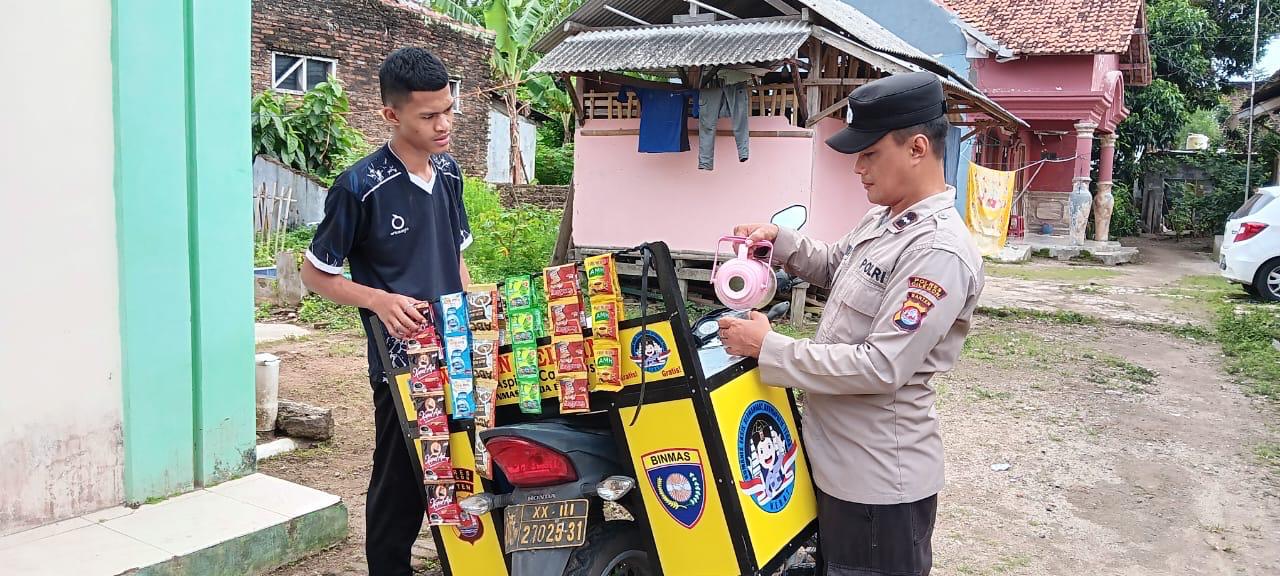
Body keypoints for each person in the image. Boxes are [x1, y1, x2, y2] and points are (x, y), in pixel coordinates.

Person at [718, 72, 985, 576]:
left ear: (917, 148)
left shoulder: (937, 251)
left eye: (870, 154)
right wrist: (781, 240)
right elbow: (837, 264)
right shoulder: (887, 218)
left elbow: (881, 367)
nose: (858, 168)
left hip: (877, 487)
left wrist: (769, 348)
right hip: (837, 464)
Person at [300, 47, 472, 576]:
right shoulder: (359, 186)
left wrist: (471, 316)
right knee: (400, 483)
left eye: (448, 110)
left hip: (458, 351)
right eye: (429, 115)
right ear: (391, 115)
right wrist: (379, 300)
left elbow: (456, 257)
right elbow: (315, 274)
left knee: (462, 465)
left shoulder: (449, 173)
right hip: (400, 362)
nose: (444, 125)